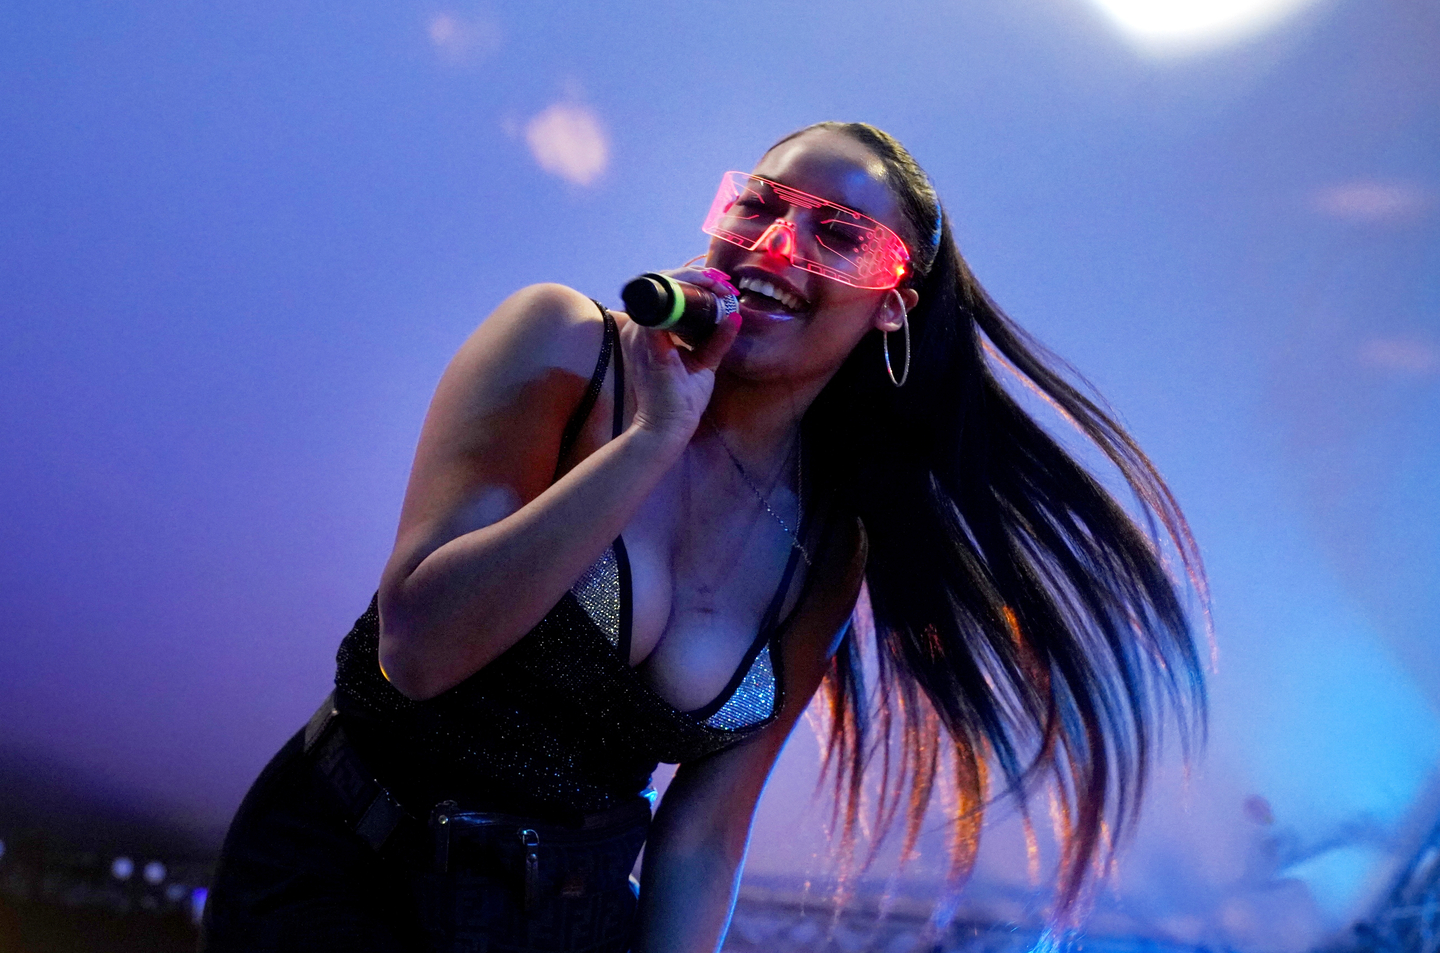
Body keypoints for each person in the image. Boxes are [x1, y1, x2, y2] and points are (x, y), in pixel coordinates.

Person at [201, 122, 1206, 953]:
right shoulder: (566, 346)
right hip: (343, 878)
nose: (777, 245)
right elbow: (420, 650)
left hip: (566, 925)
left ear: (891, 311)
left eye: (838, 235)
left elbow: (703, 837)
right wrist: (651, 440)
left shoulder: (827, 545)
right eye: (760, 206)